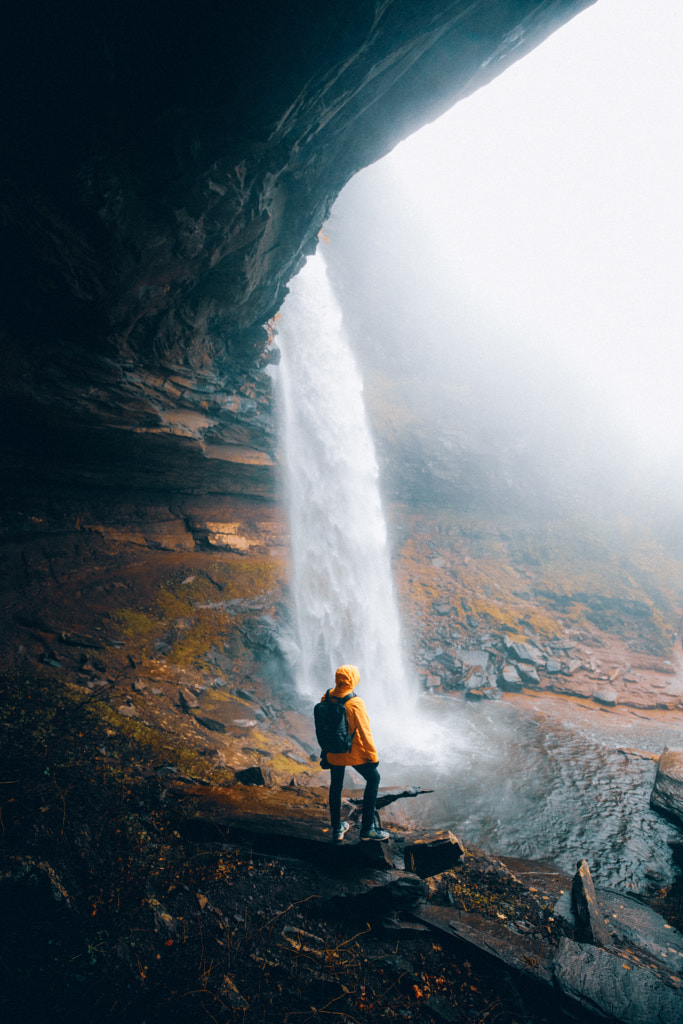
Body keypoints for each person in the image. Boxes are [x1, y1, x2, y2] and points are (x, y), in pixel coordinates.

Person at [321, 664, 389, 842]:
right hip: (353, 752)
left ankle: (337, 829)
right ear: (353, 679)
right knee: (374, 778)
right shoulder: (355, 702)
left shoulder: (327, 696)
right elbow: (365, 734)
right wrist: (373, 757)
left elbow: (324, 726)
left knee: (336, 786)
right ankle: (368, 829)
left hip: (334, 750)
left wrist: (325, 751)